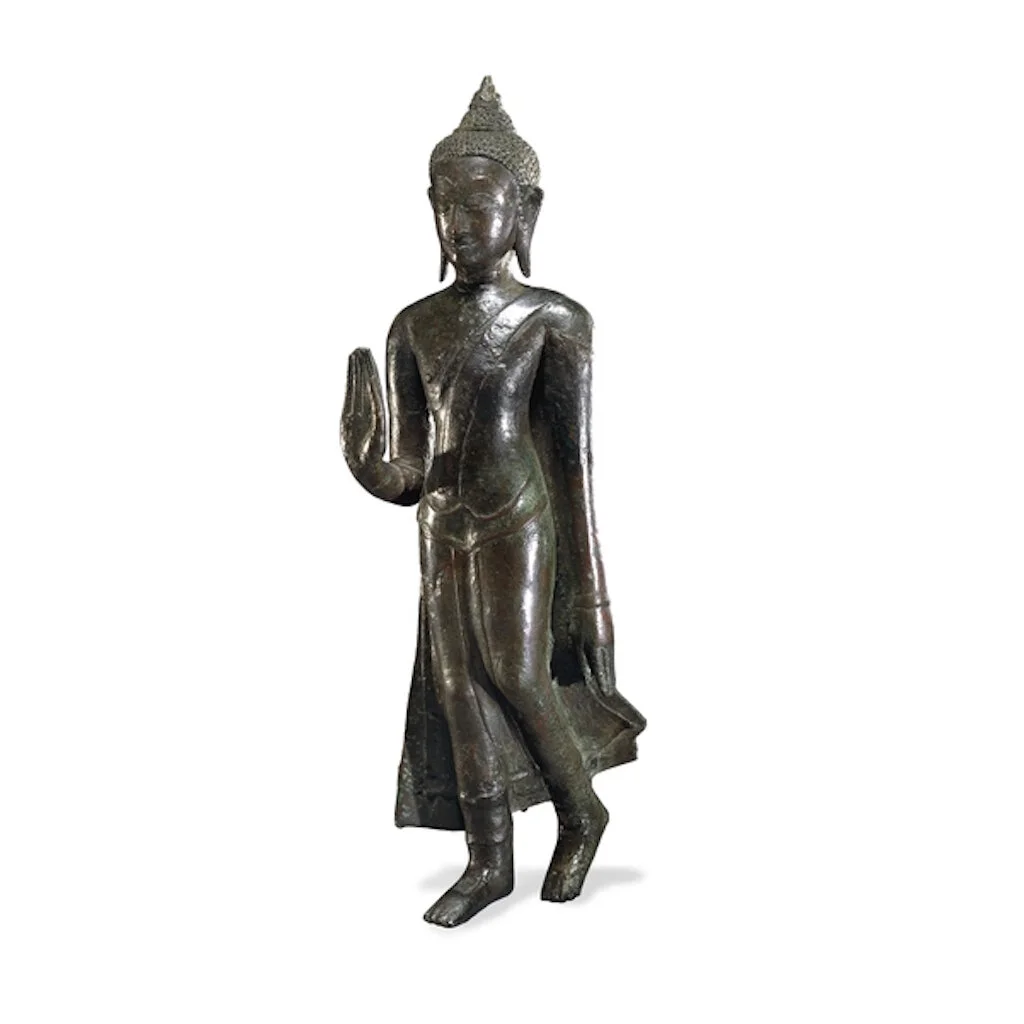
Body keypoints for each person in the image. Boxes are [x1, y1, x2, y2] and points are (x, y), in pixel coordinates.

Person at [341, 78, 644, 927]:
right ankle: (488, 860)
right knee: (456, 686)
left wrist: (591, 597)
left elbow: (575, 467)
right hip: (442, 524)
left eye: (481, 205)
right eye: (447, 206)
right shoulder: (413, 327)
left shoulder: (556, 321)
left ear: (525, 212)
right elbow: (411, 469)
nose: (462, 224)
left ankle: (581, 812)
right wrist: (372, 468)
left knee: (515, 670)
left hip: (519, 516)